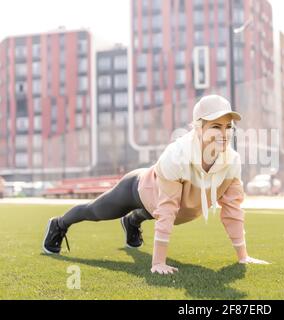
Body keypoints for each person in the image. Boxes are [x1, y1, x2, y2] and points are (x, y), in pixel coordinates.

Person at [43, 95, 270, 275]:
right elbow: (167, 208)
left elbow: (233, 210)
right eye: (215, 126)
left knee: (152, 212)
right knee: (95, 211)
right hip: (139, 189)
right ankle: (59, 224)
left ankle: (132, 221)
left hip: (174, 208)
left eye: (228, 127)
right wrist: (158, 262)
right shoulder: (177, 154)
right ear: (198, 127)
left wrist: (243, 256)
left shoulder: (232, 161)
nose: (224, 134)